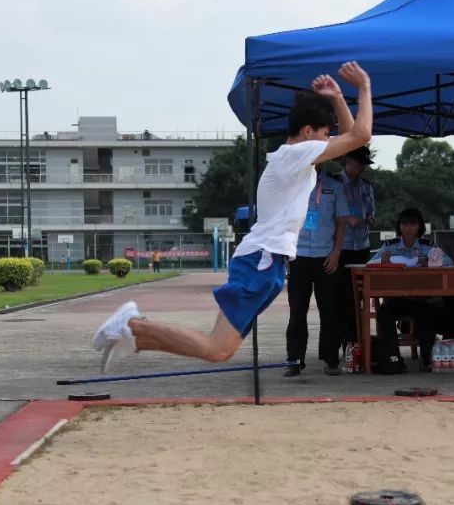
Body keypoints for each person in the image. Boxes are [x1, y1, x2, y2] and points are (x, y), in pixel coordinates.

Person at [91, 62, 373, 371]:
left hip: (268, 262)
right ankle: (132, 324)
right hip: (260, 261)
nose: (327, 141)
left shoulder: (295, 157)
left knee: (220, 349)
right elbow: (360, 135)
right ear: (307, 132)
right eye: (324, 134)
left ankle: (136, 338)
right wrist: (364, 86)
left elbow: (349, 137)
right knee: (217, 349)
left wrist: (336, 99)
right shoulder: (295, 156)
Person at [283, 167, 349, 377]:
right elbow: (283, 221)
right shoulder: (291, 185)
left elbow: (341, 221)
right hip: (298, 255)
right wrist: (285, 253)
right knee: (297, 311)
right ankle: (294, 359)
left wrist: (337, 252)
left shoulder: (335, 187)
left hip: (325, 256)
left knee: (329, 310)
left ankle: (330, 359)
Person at [369, 208, 446, 373]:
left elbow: (450, 264)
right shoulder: (390, 246)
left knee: (429, 312)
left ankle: (426, 357)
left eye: (413, 224)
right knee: (384, 312)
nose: (408, 228)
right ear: (399, 226)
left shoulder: (429, 247)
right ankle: (394, 357)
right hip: (395, 299)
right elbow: (369, 265)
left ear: (419, 226)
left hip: (421, 299)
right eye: (404, 224)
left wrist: (432, 263)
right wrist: (383, 262)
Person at [336, 146, 376, 350]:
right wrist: (344, 219)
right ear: (348, 161)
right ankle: (347, 344)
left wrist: (370, 218)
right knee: (342, 299)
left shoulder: (366, 186)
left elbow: (371, 211)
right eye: (360, 164)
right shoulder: (333, 183)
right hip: (339, 249)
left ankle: (358, 343)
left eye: (365, 165)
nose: (363, 169)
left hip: (361, 246)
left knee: (360, 298)